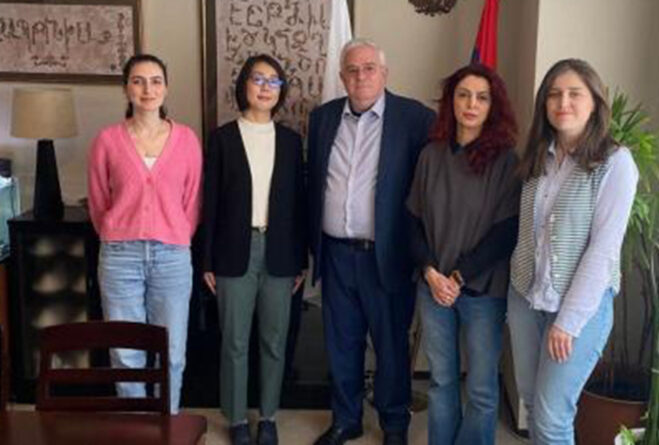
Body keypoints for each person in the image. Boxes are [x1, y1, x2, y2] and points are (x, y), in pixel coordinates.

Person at [306, 38, 435, 445]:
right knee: (341, 344)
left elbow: (428, 187)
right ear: (342, 76)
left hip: (386, 255)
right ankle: (346, 419)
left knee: (391, 346)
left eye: (369, 68)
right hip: (335, 254)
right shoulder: (323, 118)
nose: (360, 76)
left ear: (384, 74)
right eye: (352, 70)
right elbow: (314, 182)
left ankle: (394, 425)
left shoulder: (415, 118)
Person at [507, 58, 639, 444]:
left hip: (579, 308)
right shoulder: (538, 156)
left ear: (595, 103)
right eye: (554, 94)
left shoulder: (615, 163)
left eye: (574, 94)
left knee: (552, 418)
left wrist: (568, 321)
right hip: (526, 298)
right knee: (533, 404)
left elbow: (603, 249)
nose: (563, 102)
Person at [406, 64, 521, 445]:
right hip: (433, 287)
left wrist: (457, 277)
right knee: (441, 382)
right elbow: (412, 221)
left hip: (483, 291)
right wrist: (430, 272)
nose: (471, 104)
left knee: (482, 388)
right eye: (463, 95)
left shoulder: (506, 161)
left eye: (481, 97)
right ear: (450, 102)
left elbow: (505, 232)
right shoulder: (430, 155)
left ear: (493, 106)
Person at [87, 53, 202, 414]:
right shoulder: (107, 140)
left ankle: (167, 423)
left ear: (166, 88)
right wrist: (118, 232)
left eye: (155, 81)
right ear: (126, 89)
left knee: (172, 351)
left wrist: (174, 233)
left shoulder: (186, 140)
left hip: (172, 257)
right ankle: (136, 429)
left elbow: (192, 201)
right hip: (120, 257)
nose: (147, 89)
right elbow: (98, 201)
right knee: (125, 351)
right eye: (138, 81)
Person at [202, 54, 307, 445]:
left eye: (273, 81)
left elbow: (298, 205)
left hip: (280, 254)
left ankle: (268, 416)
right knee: (234, 341)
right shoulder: (222, 138)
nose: (265, 87)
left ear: (281, 90)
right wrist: (207, 260)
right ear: (244, 84)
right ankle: (236, 419)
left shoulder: (292, 142)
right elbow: (210, 203)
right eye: (257, 79)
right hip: (233, 252)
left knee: (274, 341)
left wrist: (301, 260)